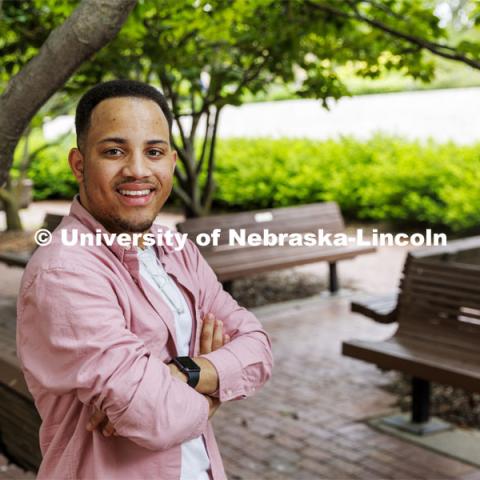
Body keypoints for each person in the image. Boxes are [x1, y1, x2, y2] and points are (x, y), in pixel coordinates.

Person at [16, 80, 273, 480]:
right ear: (79, 164)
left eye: (153, 152)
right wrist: (216, 386)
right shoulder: (65, 271)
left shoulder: (175, 248)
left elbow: (258, 349)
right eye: (114, 151)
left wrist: (181, 373)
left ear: (171, 162)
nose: (137, 170)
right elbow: (158, 417)